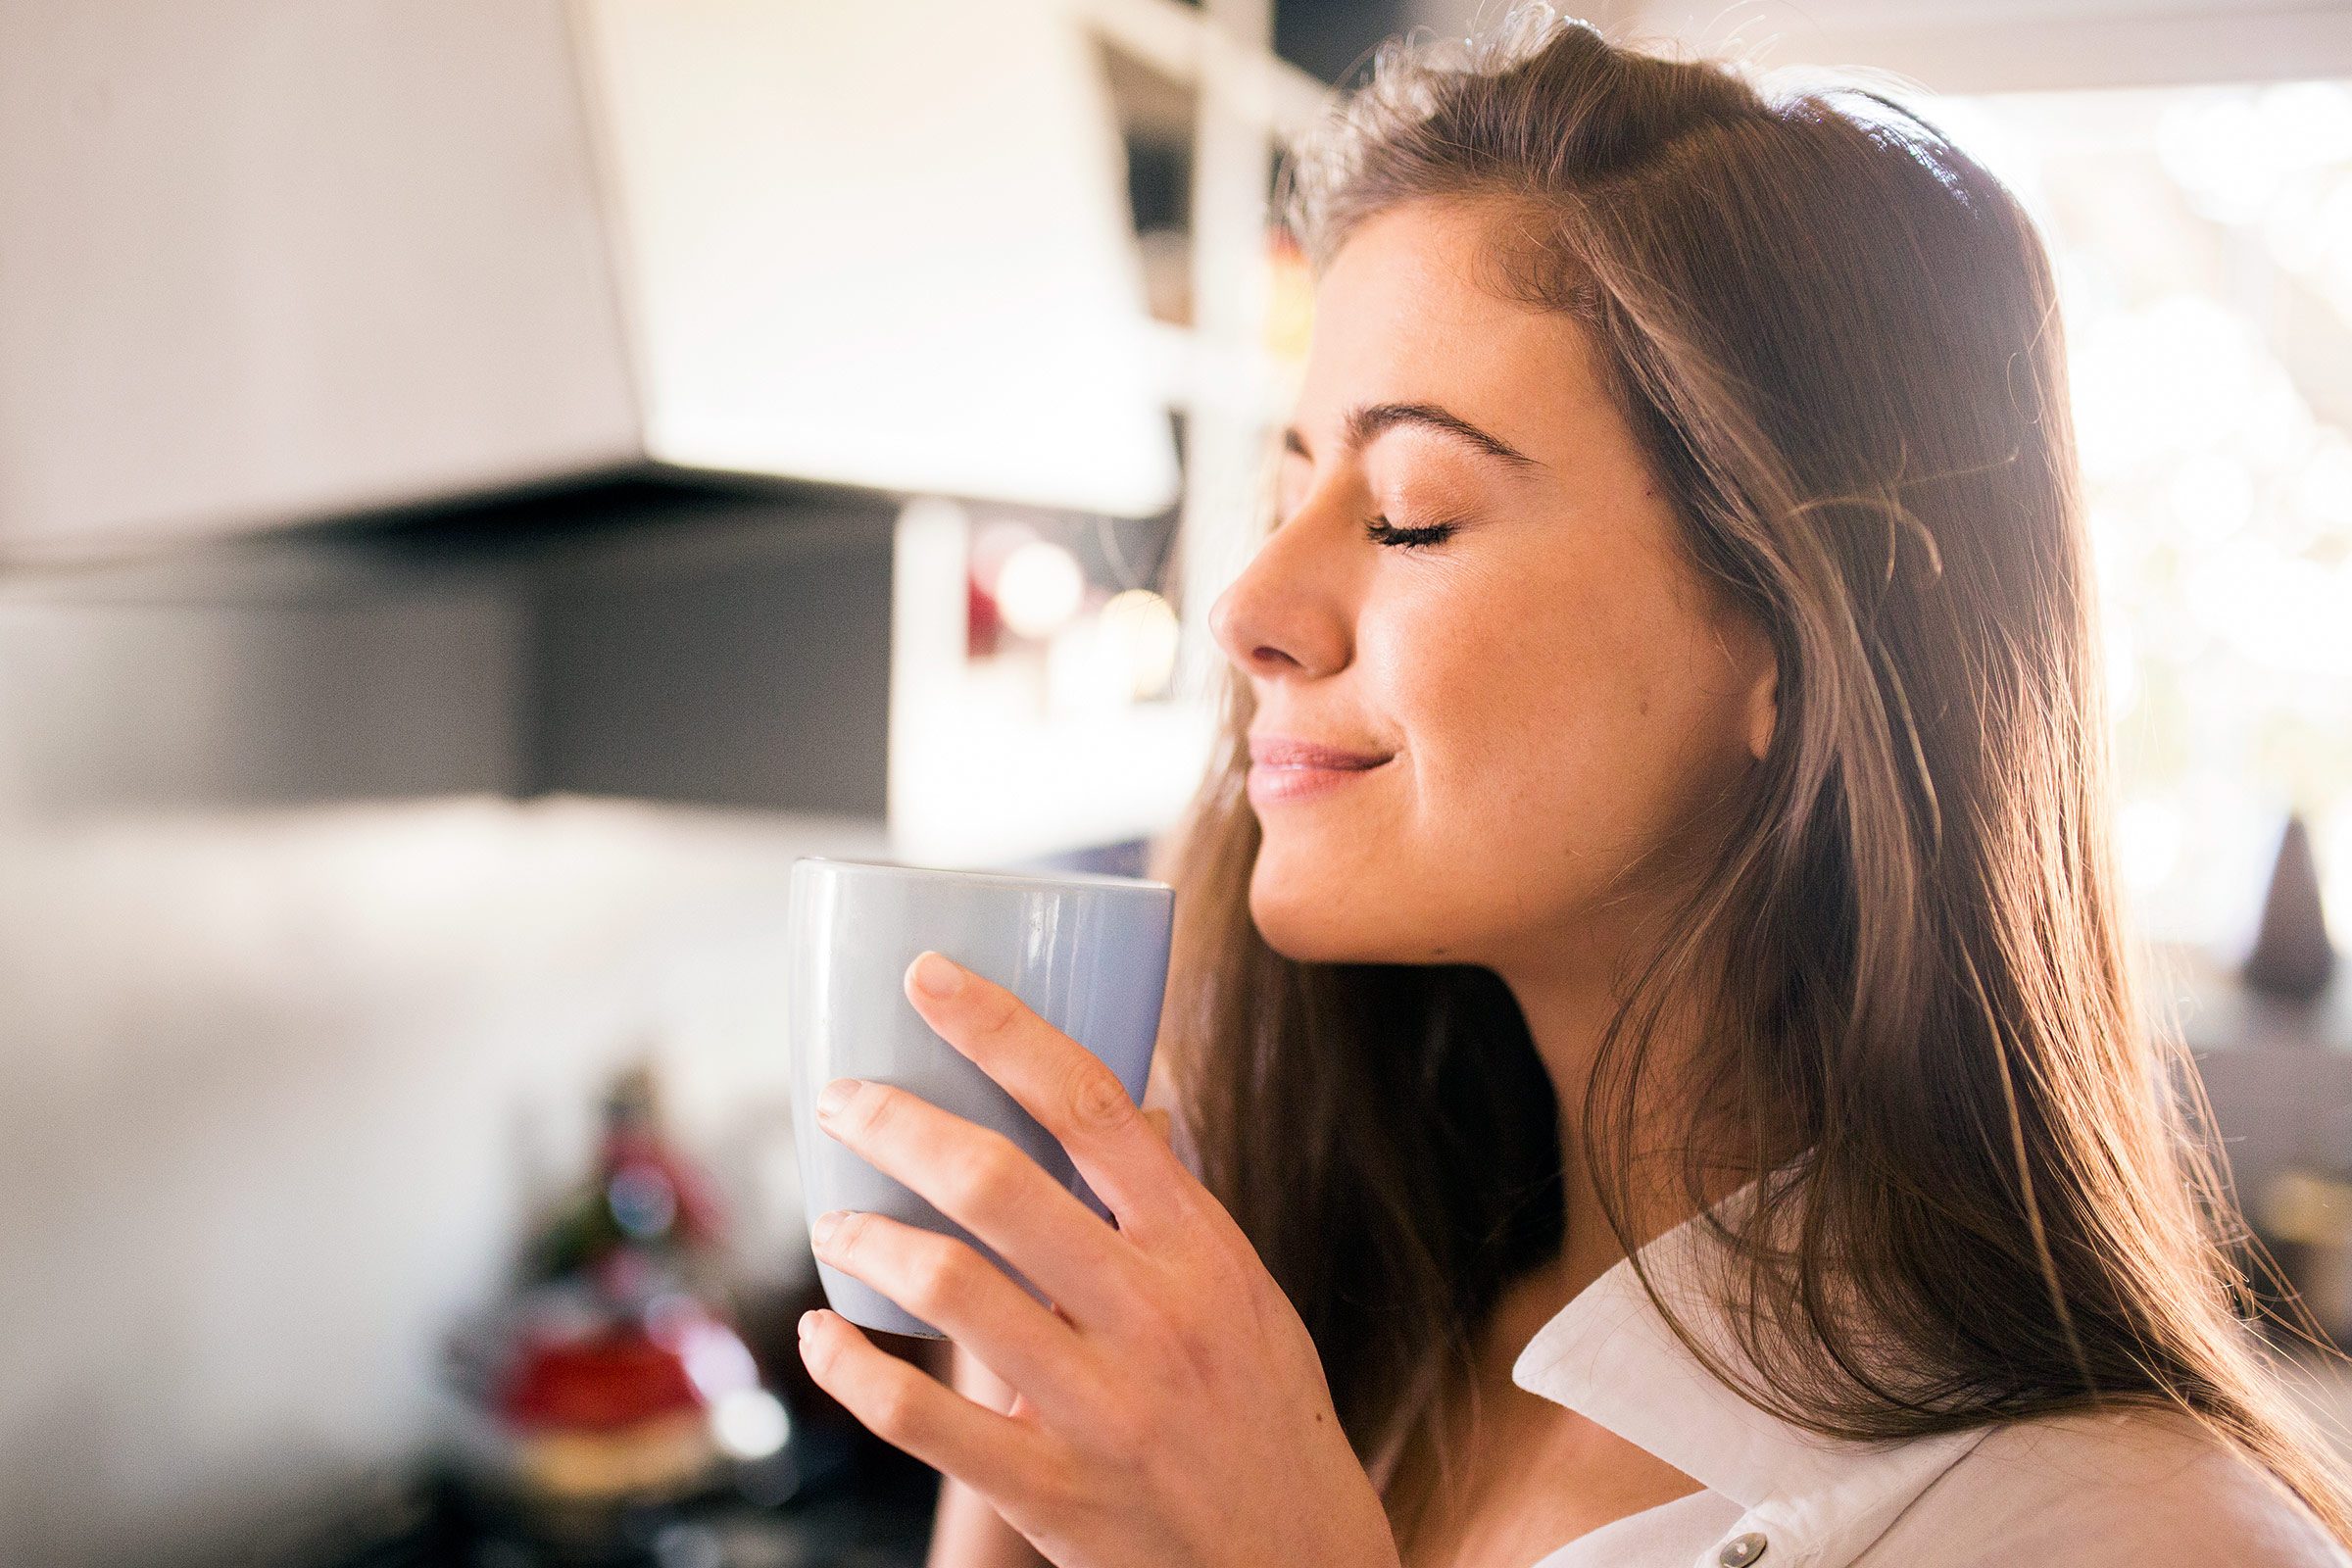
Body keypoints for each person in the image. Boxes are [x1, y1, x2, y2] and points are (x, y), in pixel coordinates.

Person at [803, 8, 2352, 1565]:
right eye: (1285, 491)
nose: (1249, 603)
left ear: (1793, 634)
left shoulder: (2134, 1535)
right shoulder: (1336, 1349)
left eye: (1409, 512)